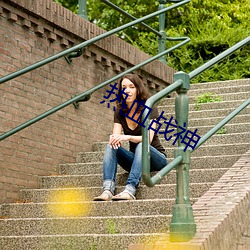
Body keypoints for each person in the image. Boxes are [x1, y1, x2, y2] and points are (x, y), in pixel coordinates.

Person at [93, 73, 168, 201]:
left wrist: (127, 137)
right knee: (111, 145)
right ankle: (108, 189)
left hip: (155, 158)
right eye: (124, 87)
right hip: (135, 161)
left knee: (141, 145)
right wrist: (115, 138)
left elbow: (148, 140)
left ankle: (130, 189)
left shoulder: (149, 107)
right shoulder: (119, 110)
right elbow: (116, 136)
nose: (127, 90)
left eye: (131, 87)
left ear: (138, 89)